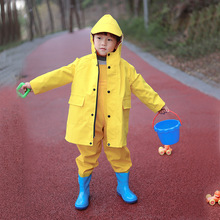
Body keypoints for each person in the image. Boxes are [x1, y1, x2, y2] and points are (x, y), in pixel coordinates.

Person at [21, 14, 169, 210]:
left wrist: (158, 104)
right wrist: (34, 84)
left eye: (109, 40)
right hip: (87, 120)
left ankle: (123, 186)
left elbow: (143, 88)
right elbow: (58, 75)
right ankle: (84, 190)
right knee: (87, 156)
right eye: (99, 38)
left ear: (117, 44)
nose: (103, 43)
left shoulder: (126, 69)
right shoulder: (81, 64)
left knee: (119, 153)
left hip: (114, 120)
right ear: (92, 40)